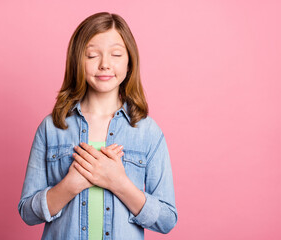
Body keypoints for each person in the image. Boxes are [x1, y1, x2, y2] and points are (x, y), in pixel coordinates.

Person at [18, 12, 178, 239]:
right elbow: (27, 212)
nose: (105, 64)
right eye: (92, 55)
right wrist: (69, 186)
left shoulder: (148, 132)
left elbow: (167, 219)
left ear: (129, 61)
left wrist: (119, 183)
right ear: (77, 60)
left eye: (115, 54)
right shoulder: (52, 127)